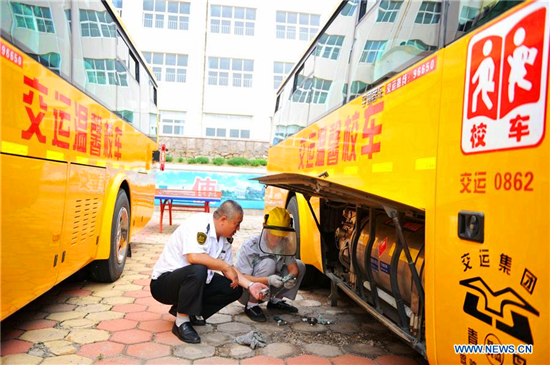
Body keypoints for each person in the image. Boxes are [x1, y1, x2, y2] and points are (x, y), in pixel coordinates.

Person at [150, 200, 268, 343]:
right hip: (164, 284)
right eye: (237, 223)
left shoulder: (225, 239)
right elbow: (193, 257)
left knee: (234, 288)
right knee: (199, 270)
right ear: (223, 220)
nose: (238, 228)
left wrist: (250, 285)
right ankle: (181, 322)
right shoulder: (198, 223)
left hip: (191, 284)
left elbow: (230, 267)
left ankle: (188, 312)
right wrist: (225, 267)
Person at [235, 207, 306, 322]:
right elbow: (241, 277)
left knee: (300, 265)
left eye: (281, 234)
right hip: (247, 291)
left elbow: (293, 268)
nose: (277, 238)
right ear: (264, 226)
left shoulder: (285, 244)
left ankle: (276, 301)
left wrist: (290, 277)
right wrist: (268, 280)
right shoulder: (250, 246)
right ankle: (252, 305)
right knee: (269, 263)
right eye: (274, 234)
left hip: (272, 288)